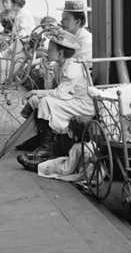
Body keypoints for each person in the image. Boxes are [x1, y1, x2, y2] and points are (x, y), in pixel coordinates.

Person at [16, 29, 95, 168]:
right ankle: (41, 140)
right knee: (37, 100)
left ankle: (47, 150)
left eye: (51, 49)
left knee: (46, 101)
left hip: (82, 104)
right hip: (70, 99)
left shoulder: (73, 68)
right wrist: (47, 75)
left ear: (60, 53)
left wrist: (36, 91)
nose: (47, 51)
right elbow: (54, 89)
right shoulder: (60, 65)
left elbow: (59, 94)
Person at [36, 115, 94, 180]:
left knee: (45, 166)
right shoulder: (92, 143)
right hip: (92, 172)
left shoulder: (77, 147)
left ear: (75, 134)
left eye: (69, 129)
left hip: (82, 173)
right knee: (60, 160)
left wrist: (54, 170)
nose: (67, 130)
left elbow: (67, 169)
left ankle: (35, 165)